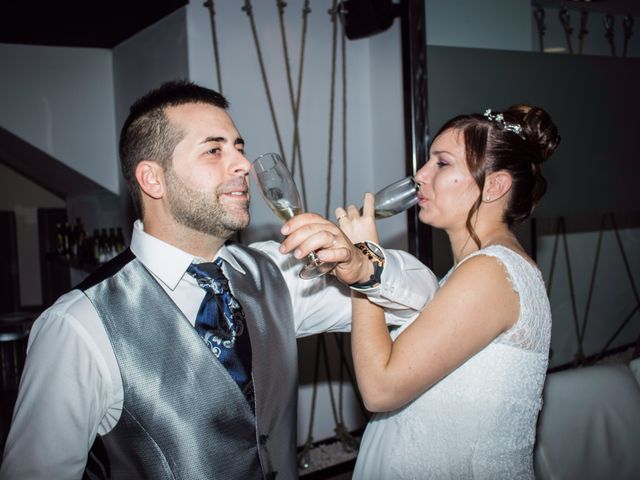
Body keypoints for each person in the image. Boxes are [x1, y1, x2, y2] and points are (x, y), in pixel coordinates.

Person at [0, 80, 439, 479]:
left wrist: (363, 267)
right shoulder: (78, 325)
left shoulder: (278, 272)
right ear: (153, 179)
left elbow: (423, 299)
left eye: (239, 147)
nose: (244, 164)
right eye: (215, 150)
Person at [337, 105, 559, 479]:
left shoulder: (491, 272)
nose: (420, 176)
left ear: (495, 185)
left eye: (441, 164)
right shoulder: (475, 271)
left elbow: (381, 388)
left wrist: (365, 268)